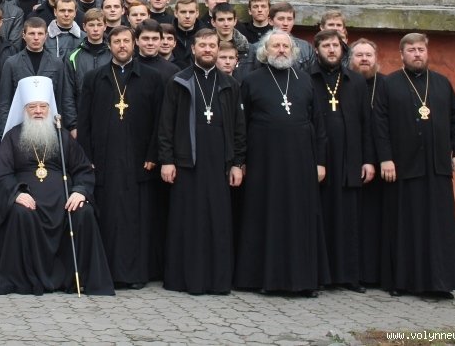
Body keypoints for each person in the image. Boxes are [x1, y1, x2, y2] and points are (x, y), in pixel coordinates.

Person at [0, 76, 114, 296]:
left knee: (84, 212)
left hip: (63, 204)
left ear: (49, 109)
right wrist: (16, 194)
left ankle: (79, 278)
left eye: (43, 106)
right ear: (24, 109)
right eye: (32, 107)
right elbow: (2, 174)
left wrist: (80, 192)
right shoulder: (12, 137)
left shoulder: (63, 137)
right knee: (19, 213)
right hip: (29, 203)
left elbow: (83, 169)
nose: (38, 111)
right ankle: (24, 280)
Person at [234, 29, 328, 296]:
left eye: (285, 46)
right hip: (264, 163)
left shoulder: (305, 80)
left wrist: (320, 162)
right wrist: (240, 160)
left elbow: (318, 123)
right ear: (265, 51)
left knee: (300, 218)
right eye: (275, 46)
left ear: (293, 51)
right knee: (266, 216)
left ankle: (303, 280)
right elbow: (241, 125)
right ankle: (264, 278)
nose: (281, 50)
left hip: (301, 162)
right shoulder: (251, 81)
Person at [376, 33, 455, 298]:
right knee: (407, 226)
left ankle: (440, 282)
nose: (417, 54)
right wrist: (385, 158)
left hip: (437, 167)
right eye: (412, 50)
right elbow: (379, 124)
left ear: (427, 52)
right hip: (404, 167)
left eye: (421, 50)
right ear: (402, 54)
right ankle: (403, 282)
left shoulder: (442, 82)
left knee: (439, 227)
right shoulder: (389, 84)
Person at [77, 26, 166, 289]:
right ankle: (109, 272)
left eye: (126, 41)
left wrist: (153, 153)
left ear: (134, 44)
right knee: (110, 218)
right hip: (104, 161)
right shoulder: (94, 78)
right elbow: (84, 121)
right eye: (117, 41)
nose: (122, 46)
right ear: (110, 45)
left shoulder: (152, 78)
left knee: (137, 219)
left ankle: (136, 274)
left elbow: (160, 120)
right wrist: (87, 157)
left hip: (140, 161)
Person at [158, 29, 245, 294]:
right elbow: (166, 125)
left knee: (218, 222)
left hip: (220, 164)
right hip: (187, 163)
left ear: (218, 49)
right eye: (203, 45)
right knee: (189, 221)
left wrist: (237, 163)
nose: (208, 50)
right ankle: (185, 279)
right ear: (193, 49)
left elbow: (239, 128)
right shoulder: (178, 81)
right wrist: (167, 160)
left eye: (212, 46)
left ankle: (217, 281)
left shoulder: (230, 84)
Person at [310, 29, 374, 292]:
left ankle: (349, 276)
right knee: (321, 216)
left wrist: (368, 160)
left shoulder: (355, 81)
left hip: (349, 158)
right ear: (317, 50)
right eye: (326, 46)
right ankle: (320, 275)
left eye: (335, 45)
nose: (331, 50)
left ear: (342, 49)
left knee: (348, 218)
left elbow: (366, 124)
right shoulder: (307, 78)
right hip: (320, 159)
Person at [349, 37, 384, 287]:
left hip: (382, 163)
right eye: (359, 55)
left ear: (376, 59)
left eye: (368, 55)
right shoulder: (344, 84)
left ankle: (376, 273)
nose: (364, 59)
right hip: (352, 161)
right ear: (350, 59)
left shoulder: (387, 85)